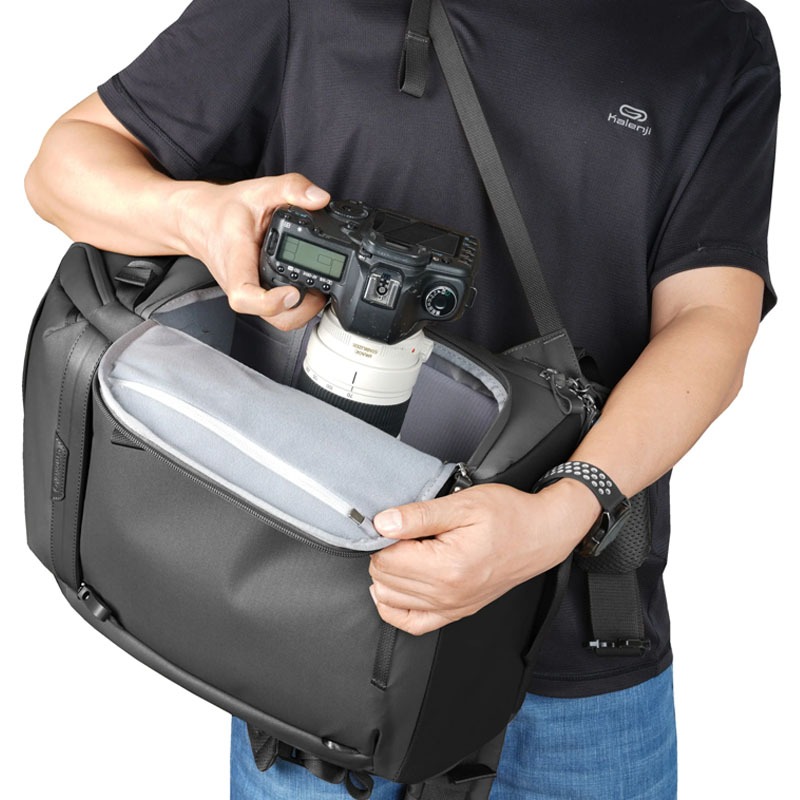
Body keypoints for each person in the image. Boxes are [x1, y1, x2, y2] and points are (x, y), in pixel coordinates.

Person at [24, 1, 779, 797]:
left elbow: (711, 320)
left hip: (572, 630)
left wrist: (560, 515)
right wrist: (197, 216)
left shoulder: (714, 36)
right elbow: (65, 164)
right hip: (309, 627)